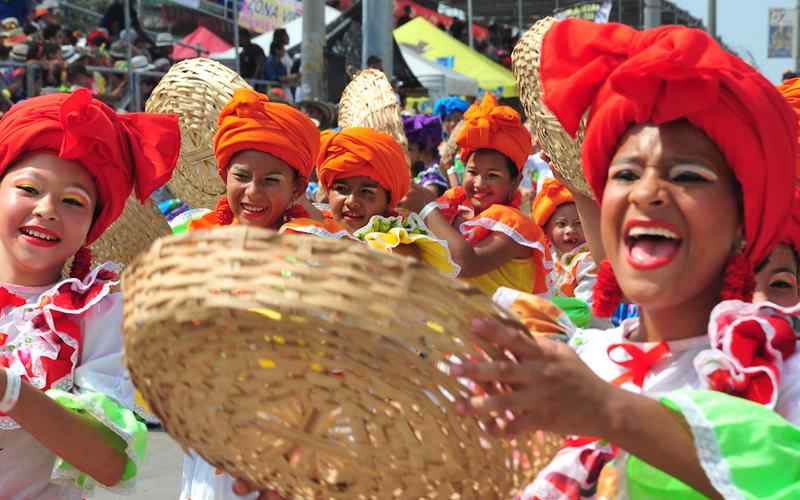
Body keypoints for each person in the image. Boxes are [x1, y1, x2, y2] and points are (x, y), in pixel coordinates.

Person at [451, 19, 800, 499]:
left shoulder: (783, 374)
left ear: (745, 220)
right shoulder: (574, 361)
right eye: (627, 173)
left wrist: (607, 410)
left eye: (690, 176)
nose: (648, 194)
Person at [0, 88, 180, 497]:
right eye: (29, 189)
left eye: (73, 201)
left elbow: (110, 464)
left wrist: (10, 391)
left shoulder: (96, 312)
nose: (47, 209)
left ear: (93, 226)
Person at [400, 93, 549, 297]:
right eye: (472, 172)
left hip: (501, 325)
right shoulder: (452, 208)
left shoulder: (515, 227)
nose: (479, 183)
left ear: (515, 182)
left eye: (493, 176)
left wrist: (426, 208)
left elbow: (465, 263)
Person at [281, 127, 459, 275]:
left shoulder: (398, 244)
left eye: (367, 192)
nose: (352, 201)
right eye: (341, 189)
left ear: (388, 200)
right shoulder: (310, 225)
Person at [186, 88, 320, 235]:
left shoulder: (318, 247)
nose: (253, 192)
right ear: (225, 176)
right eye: (241, 177)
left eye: (270, 180)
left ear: (296, 188)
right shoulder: (195, 236)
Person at [403, 113, 449, 195]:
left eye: (409, 149)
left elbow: (426, 201)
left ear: (424, 149)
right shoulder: (420, 171)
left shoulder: (433, 175)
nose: (404, 153)